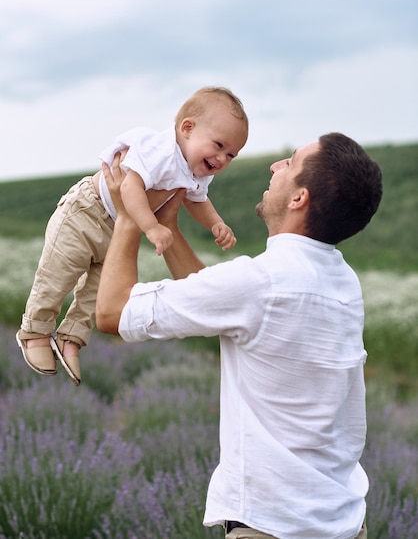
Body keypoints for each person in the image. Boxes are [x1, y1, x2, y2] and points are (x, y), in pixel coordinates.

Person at [96, 132, 383, 539]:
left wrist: (128, 218)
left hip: (272, 528)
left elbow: (112, 312)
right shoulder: (342, 281)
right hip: (344, 522)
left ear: (299, 198)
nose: (274, 166)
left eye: (289, 162)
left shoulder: (258, 284)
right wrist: (169, 227)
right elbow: (219, 300)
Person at [16, 86, 248, 386]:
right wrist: (151, 227)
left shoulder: (196, 172)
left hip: (117, 228)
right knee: (59, 274)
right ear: (187, 128)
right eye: (218, 145)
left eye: (231, 154)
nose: (222, 158)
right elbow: (129, 187)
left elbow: (197, 200)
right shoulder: (159, 149)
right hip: (88, 212)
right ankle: (35, 331)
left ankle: (71, 338)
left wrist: (216, 223)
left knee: (97, 293)